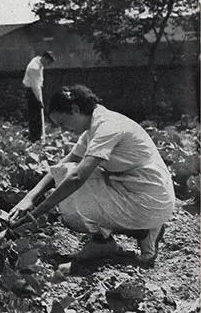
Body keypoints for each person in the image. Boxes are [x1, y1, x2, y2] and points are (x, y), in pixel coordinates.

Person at [9, 84, 175, 264]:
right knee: (64, 174)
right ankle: (110, 240)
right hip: (136, 191)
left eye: (63, 123)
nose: (64, 130)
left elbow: (76, 178)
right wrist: (29, 197)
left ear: (75, 109)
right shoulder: (93, 128)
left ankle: (139, 232)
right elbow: (63, 165)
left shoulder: (107, 127)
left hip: (150, 200)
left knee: (70, 203)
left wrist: (34, 214)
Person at [22, 50, 55, 143]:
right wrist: (39, 100)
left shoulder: (38, 61)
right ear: (44, 58)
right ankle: (35, 138)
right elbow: (35, 86)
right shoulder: (34, 68)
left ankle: (38, 136)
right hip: (32, 91)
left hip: (36, 88)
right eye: (48, 62)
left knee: (37, 115)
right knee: (35, 116)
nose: (48, 65)